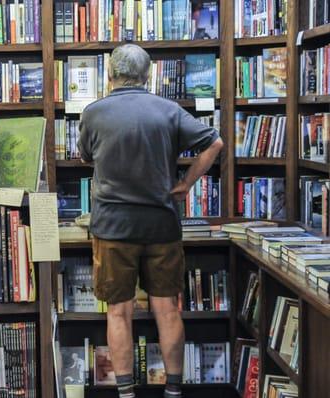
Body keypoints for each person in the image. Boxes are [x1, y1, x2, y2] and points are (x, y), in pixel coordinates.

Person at [78, 44, 223, 398]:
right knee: (168, 310)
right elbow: (215, 143)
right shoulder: (169, 111)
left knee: (118, 312)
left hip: (112, 228)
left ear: (110, 75)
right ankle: (173, 391)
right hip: (161, 224)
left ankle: (126, 393)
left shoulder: (93, 113)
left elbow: (86, 158)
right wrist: (187, 183)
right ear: (147, 75)